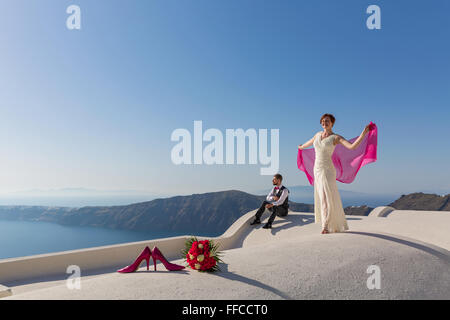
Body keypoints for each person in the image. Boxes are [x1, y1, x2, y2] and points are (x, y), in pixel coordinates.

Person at [298, 114, 371, 234]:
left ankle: (325, 226)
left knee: (326, 198)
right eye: (322, 121)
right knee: (322, 197)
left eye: (327, 121)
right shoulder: (317, 135)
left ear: (332, 123)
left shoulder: (335, 137)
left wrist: (363, 133)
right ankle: (329, 223)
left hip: (328, 170)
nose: (324, 123)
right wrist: (300, 147)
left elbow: (352, 147)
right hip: (317, 169)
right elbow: (308, 144)